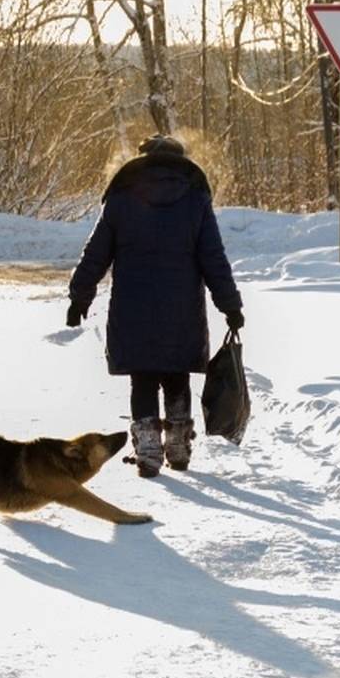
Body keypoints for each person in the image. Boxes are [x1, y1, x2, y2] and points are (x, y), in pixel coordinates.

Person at [66, 135, 243, 478]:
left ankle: (148, 450)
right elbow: (214, 259)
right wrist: (230, 306)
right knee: (176, 375)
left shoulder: (122, 197)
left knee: (143, 378)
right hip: (182, 309)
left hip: (132, 308)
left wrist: (79, 297)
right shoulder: (195, 199)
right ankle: (178, 444)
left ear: (142, 159)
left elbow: (96, 253)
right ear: (180, 161)